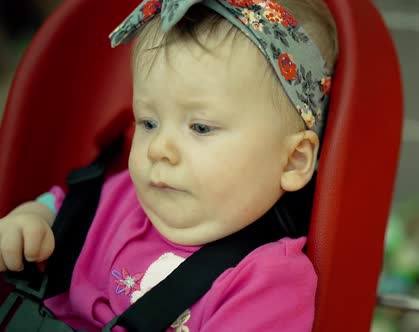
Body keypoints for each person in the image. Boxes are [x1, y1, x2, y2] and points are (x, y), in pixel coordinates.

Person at [0, 0, 338, 330]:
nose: (159, 149)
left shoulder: (267, 287)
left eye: (200, 127)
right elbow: (63, 206)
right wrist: (31, 220)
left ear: (293, 161)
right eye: (148, 123)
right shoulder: (116, 197)